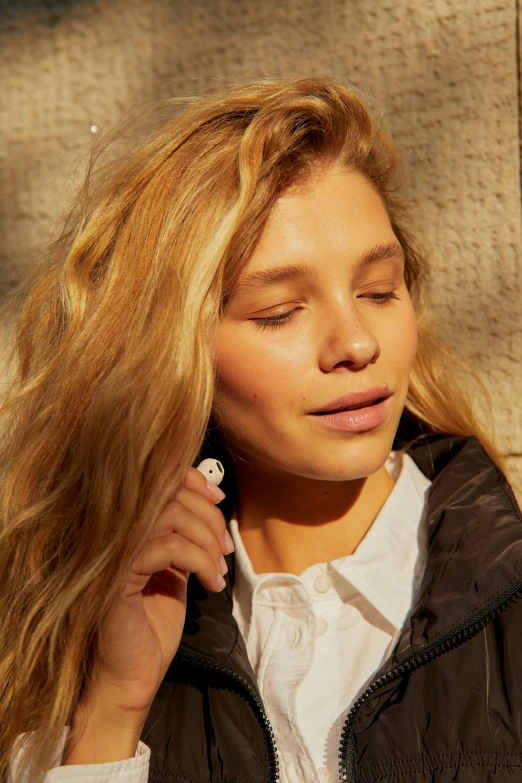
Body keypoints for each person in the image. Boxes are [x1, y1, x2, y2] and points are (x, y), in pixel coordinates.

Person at [1, 76, 521, 783]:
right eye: (279, 310)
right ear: (174, 353)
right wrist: (112, 710)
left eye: (378, 291)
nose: (357, 342)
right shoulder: (100, 650)